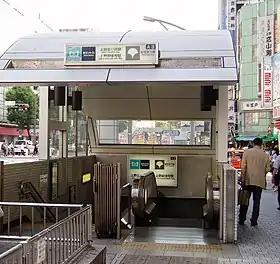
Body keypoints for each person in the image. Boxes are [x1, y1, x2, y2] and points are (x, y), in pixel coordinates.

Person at [239, 137, 270, 226]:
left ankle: (242, 219)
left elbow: (243, 167)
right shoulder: (265, 155)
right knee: (257, 202)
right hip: (259, 181)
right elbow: (267, 169)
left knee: (244, 200)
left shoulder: (247, 152)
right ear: (261, 144)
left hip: (248, 180)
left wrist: (242, 178)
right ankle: (254, 220)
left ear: (253, 143)